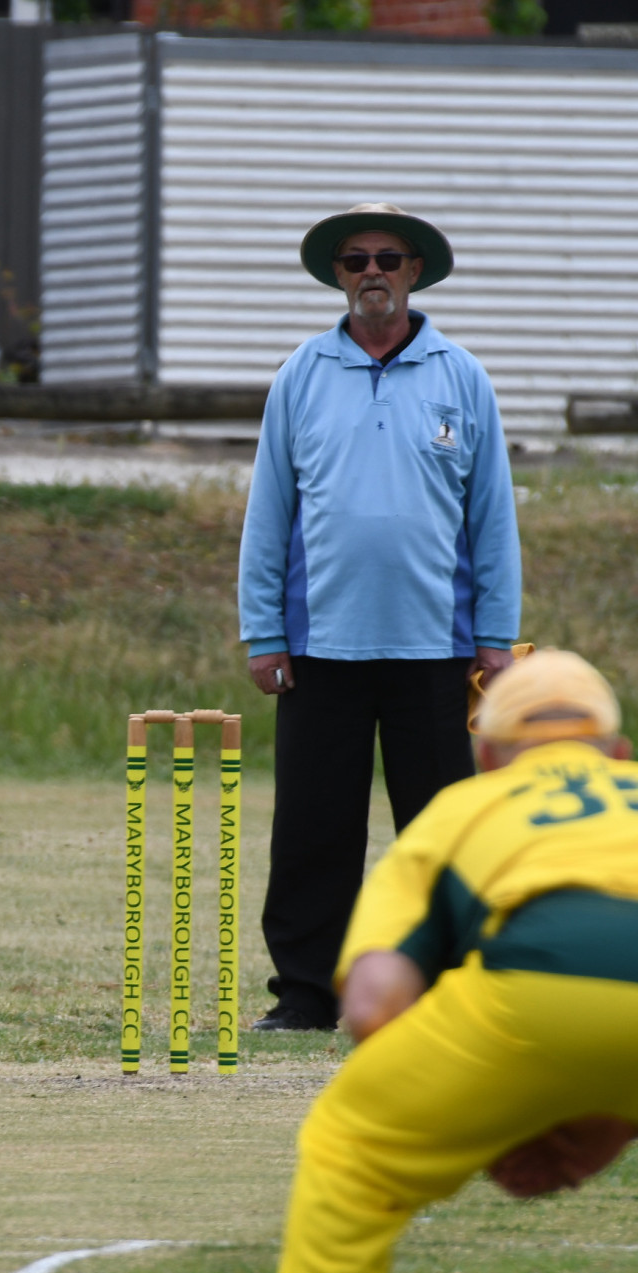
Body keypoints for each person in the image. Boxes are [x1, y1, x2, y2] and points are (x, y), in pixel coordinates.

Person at [271, 649, 638, 1273]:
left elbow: (376, 1004)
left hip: (533, 990)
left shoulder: (463, 807)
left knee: (348, 1152)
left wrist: (491, 1109)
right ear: (620, 751)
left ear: (490, 755)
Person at [238, 202, 522, 1032]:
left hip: (435, 646)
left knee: (438, 833)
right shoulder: (301, 374)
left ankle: (440, 985)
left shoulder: (460, 375)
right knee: (313, 831)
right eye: (356, 259)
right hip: (322, 644)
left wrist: (496, 639)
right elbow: (270, 514)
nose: (372, 272)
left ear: (414, 273)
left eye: (388, 259)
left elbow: (492, 518)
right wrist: (265, 632)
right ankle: (306, 993)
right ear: (337, 272)